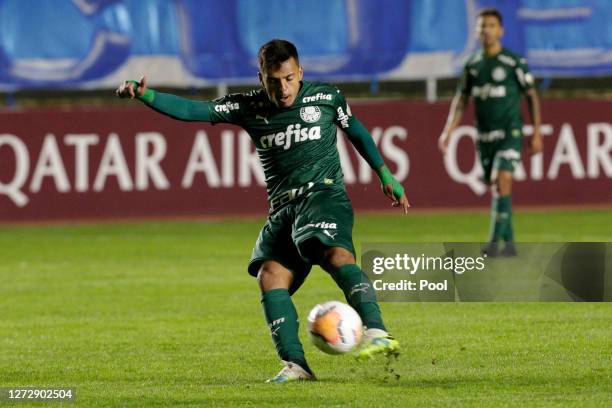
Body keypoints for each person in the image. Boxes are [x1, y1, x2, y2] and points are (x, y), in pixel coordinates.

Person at [116, 39, 409, 383]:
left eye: (288, 78)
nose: (283, 89)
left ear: (300, 72)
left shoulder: (327, 97)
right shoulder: (247, 106)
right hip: (283, 209)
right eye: (274, 81)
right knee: (270, 276)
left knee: (331, 253)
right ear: (261, 78)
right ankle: (296, 365)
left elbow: (356, 131)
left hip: (323, 195)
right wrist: (145, 95)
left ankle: (376, 330)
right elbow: (194, 110)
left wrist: (385, 174)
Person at [439, 8, 543, 256]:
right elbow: (461, 99)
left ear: (501, 31)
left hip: (510, 132)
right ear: (476, 31)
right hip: (484, 138)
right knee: (497, 186)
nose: (486, 30)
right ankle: (510, 243)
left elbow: (531, 96)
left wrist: (537, 132)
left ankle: (495, 241)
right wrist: (448, 131)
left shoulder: (513, 62)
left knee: (502, 178)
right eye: (482, 26)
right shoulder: (472, 65)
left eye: (492, 25)